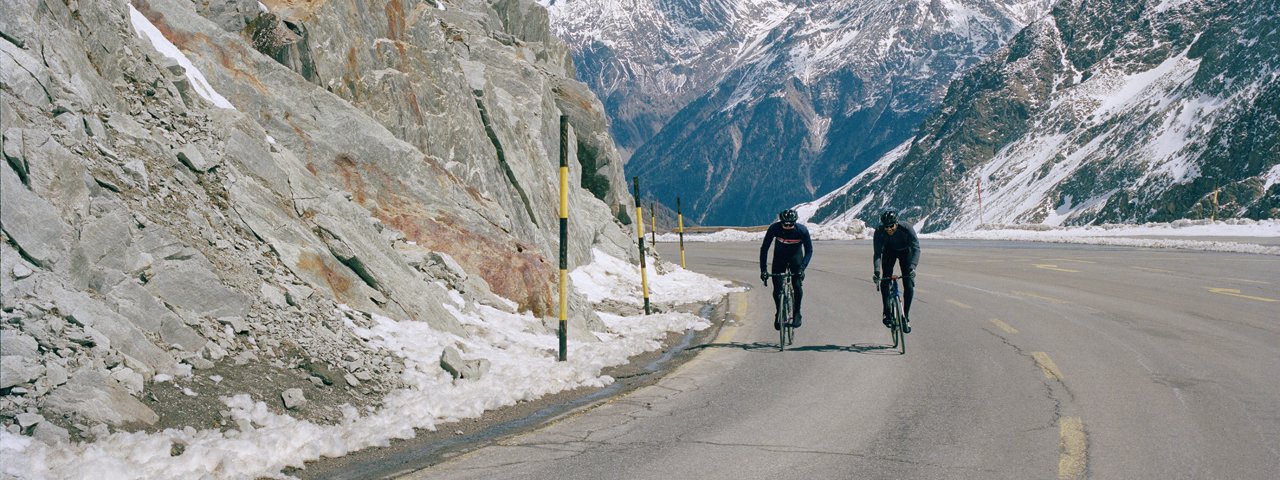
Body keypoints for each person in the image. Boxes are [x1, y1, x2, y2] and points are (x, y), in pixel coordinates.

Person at [759, 209, 813, 330]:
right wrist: (763, 270)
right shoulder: (774, 228)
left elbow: (809, 251)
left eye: (791, 224)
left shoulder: (802, 230)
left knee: (796, 284)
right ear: (781, 222)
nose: (788, 226)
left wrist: (802, 268)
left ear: (795, 222)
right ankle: (779, 312)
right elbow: (764, 249)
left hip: (796, 258)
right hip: (779, 258)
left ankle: (797, 313)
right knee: (777, 288)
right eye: (785, 224)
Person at [873, 210, 919, 333]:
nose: (888, 229)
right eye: (886, 227)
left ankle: (906, 317)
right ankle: (886, 312)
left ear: (896, 223)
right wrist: (877, 271)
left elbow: (916, 248)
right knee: (885, 280)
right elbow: (877, 254)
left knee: (908, 284)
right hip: (889, 252)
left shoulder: (906, 228)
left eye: (891, 226)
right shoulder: (879, 231)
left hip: (906, 253)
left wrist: (913, 267)